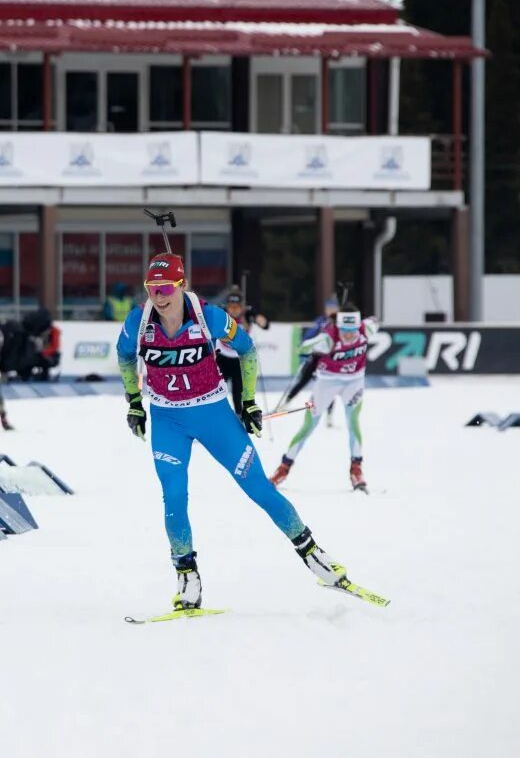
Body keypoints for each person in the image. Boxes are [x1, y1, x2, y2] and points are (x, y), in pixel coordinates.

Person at [117, 252, 378, 612]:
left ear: (181, 286)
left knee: (258, 486)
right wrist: (134, 402)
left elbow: (247, 349)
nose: (158, 297)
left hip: (213, 415)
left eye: (165, 288)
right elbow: (126, 357)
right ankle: (187, 577)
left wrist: (249, 402)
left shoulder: (209, 316)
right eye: (151, 289)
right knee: (174, 495)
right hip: (167, 420)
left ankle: (315, 556)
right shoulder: (139, 321)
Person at [271, 303, 378, 493]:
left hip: (354, 383)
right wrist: (309, 350)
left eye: (352, 330)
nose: (349, 335)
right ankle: (283, 469)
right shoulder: (328, 338)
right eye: (344, 330)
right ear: (338, 326)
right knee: (308, 426)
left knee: (353, 422)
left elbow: (375, 321)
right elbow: (302, 348)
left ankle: (356, 470)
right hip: (326, 384)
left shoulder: (366, 328)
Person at [278, 295, 339, 414]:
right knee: (303, 380)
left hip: (329, 360)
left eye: (333, 308)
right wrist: (304, 347)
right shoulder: (321, 321)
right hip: (316, 357)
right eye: (328, 308)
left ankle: (329, 414)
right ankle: (286, 402)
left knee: (327, 385)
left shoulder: (339, 323)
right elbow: (310, 335)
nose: (330, 311)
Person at [215, 285, 269, 411]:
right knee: (217, 390)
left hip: (240, 360)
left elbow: (264, 324)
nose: (233, 310)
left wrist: (261, 320)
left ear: (242, 307)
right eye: (231, 307)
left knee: (237, 392)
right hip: (222, 358)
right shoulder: (222, 312)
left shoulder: (248, 313)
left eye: (237, 307)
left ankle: (240, 416)